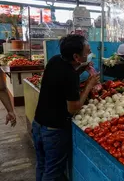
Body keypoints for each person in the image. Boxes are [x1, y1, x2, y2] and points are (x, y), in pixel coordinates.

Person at [32, 34, 99, 181]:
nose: (90, 54)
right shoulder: (69, 75)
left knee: (42, 165)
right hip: (54, 131)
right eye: (87, 52)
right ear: (76, 57)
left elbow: (64, 79)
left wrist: (82, 69)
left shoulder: (56, 60)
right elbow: (73, 108)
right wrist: (89, 85)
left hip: (38, 123)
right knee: (53, 172)